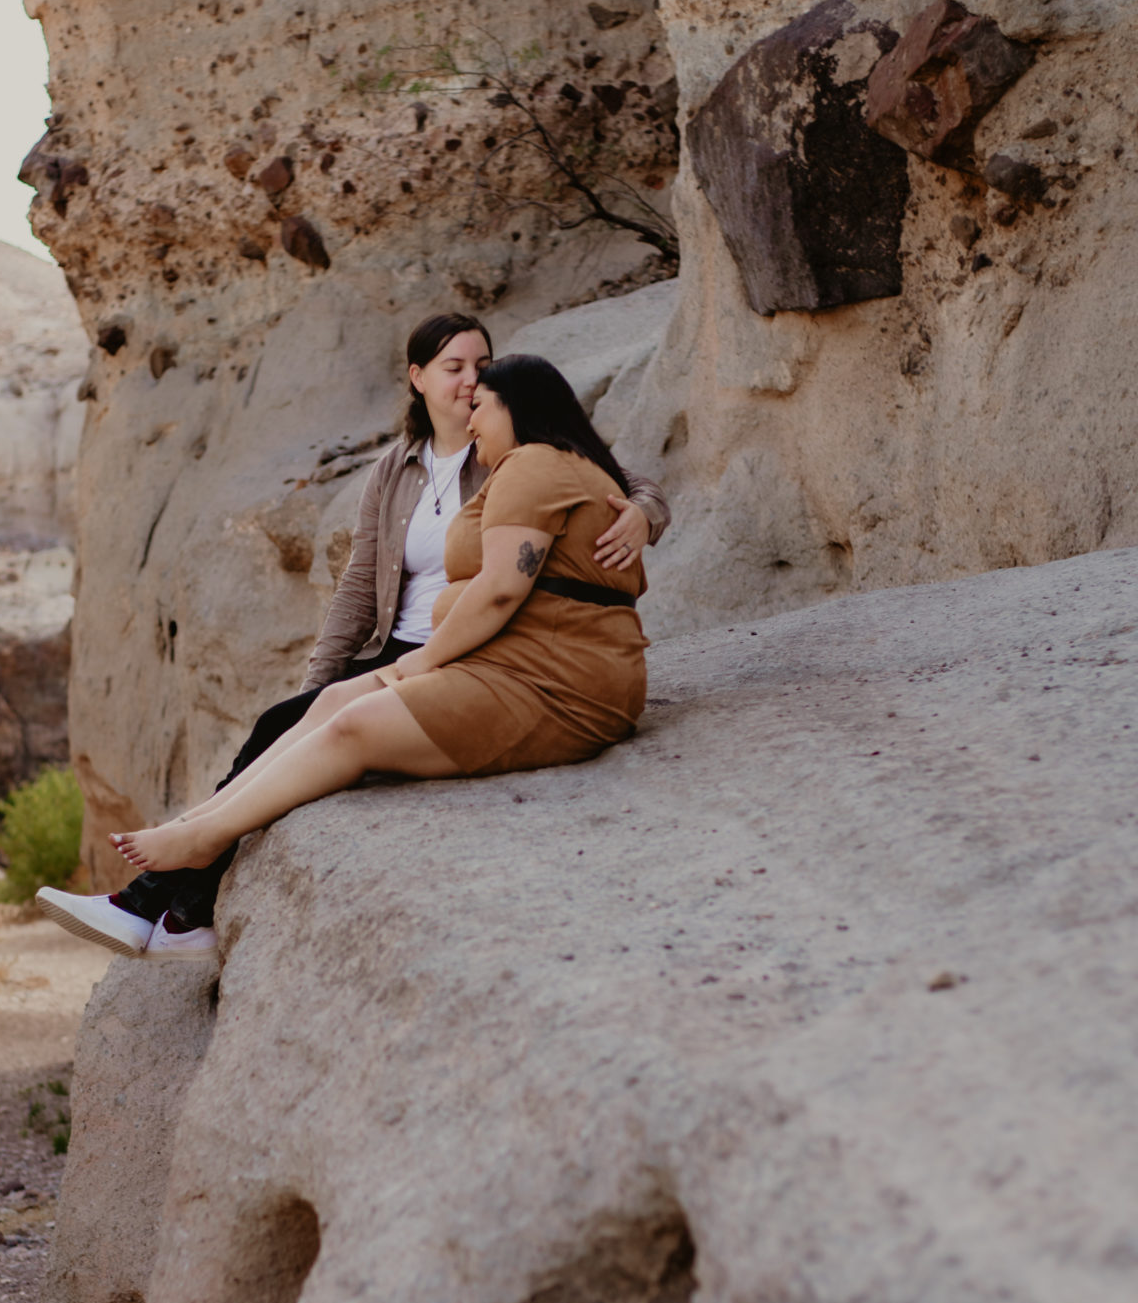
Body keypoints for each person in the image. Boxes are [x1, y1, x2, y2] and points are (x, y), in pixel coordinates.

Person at [40, 316, 669, 956]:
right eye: (456, 370)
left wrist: (644, 516)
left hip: (495, 658)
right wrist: (323, 680)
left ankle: (178, 883)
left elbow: (603, 491)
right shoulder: (399, 470)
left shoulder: (526, 463)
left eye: (482, 376)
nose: (471, 390)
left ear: (513, 402)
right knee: (310, 712)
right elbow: (359, 586)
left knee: (339, 724)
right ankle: (176, 896)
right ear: (418, 379)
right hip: (448, 650)